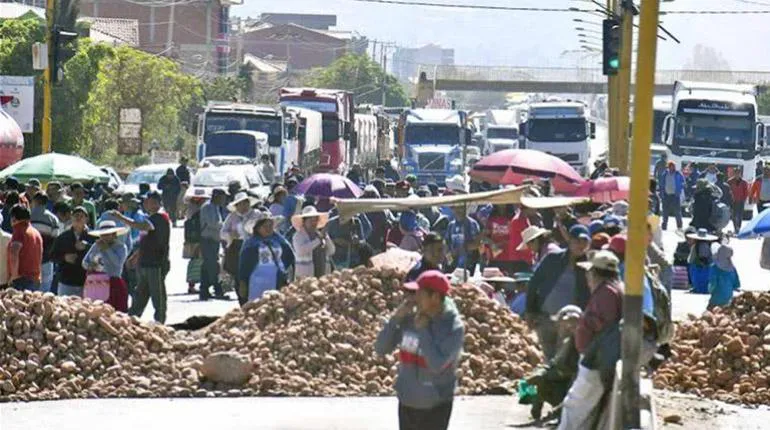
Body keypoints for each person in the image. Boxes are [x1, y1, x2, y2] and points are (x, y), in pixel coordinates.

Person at [374, 270, 464, 430]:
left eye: (419, 293)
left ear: (435, 297)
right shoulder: (409, 320)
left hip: (435, 407)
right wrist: (396, 318)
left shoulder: (452, 328)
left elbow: (437, 365)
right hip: (407, 404)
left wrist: (423, 331)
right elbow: (380, 348)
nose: (414, 298)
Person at [559, 250, 624, 430]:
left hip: (596, 361)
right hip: (598, 359)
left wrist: (579, 323)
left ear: (595, 273)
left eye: (589, 273)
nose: (587, 277)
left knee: (575, 407)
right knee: (585, 412)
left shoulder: (607, 293)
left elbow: (600, 324)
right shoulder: (614, 289)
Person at [526, 224, 591, 359]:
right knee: (548, 357)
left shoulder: (589, 267)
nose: (581, 245)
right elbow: (534, 283)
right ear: (569, 241)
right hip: (546, 318)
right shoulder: (553, 259)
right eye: (577, 241)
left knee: (563, 359)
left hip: (570, 323)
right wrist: (530, 311)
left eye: (585, 242)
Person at [109, 191, 171, 323]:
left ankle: (160, 322)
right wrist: (135, 256)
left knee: (158, 296)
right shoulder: (151, 217)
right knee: (140, 295)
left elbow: (142, 226)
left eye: (146, 201)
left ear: (154, 202)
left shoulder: (160, 217)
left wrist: (121, 218)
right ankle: (131, 320)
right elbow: (145, 240)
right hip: (144, 262)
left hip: (156, 263)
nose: (144, 204)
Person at [523, 304, 582, 421]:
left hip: (568, 388)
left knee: (540, 378)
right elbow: (556, 362)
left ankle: (558, 412)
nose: (559, 327)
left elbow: (567, 370)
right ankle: (532, 408)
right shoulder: (565, 341)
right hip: (561, 380)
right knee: (534, 378)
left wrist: (546, 373)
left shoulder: (576, 342)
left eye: (563, 324)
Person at [238, 211, 294, 303]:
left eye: (270, 226)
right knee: (258, 305)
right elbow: (244, 265)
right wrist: (243, 282)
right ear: (257, 228)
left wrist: (285, 272)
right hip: (257, 281)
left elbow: (289, 256)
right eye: (265, 226)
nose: (268, 229)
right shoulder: (251, 244)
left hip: (277, 279)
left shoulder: (279, 240)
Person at [82, 220, 129, 311]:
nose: (104, 237)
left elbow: (117, 263)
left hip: (113, 283)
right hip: (95, 283)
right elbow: (85, 261)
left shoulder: (121, 247)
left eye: (107, 234)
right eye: (102, 235)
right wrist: (89, 265)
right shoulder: (96, 246)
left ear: (114, 235)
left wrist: (107, 249)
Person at [221, 192, 259, 303]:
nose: (242, 206)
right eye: (239, 204)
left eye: (244, 203)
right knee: (239, 278)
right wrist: (230, 235)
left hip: (253, 248)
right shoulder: (232, 217)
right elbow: (222, 232)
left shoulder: (257, 214)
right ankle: (242, 302)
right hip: (237, 249)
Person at [51, 206, 93, 296]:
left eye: (81, 216)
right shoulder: (62, 237)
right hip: (67, 282)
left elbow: (100, 254)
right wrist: (64, 257)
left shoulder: (93, 237)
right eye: (76, 215)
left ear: (87, 219)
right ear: (71, 218)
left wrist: (87, 247)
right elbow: (52, 256)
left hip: (87, 282)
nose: (78, 218)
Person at [198, 188, 227, 300]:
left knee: (207, 265)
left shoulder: (215, 207)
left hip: (214, 239)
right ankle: (217, 289)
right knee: (212, 265)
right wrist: (225, 227)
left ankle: (204, 289)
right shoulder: (207, 207)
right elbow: (212, 223)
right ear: (216, 197)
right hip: (208, 239)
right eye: (222, 197)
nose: (224, 200)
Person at [292, 206, 335, 279]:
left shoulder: (319, 234)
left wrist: (326, 238)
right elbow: (301, 250)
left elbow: (331, 251)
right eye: (311, 220)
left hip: (322, 272)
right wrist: (319, 240)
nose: (314, 223)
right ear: (304, 221)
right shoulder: (298, 236)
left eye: (315, 220)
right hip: (305, 275)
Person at [30, 193, 61, 293]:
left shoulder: (28, 216)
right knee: (45, 290)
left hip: (30, 258)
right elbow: (56, 240)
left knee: (30, 291)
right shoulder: (53, 219)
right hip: (47, 259)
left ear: (35, 201)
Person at [7, 204, 43, 291]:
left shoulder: (19, 231)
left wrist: (14, 276)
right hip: (35, 278)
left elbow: (14, 252)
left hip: (22, 279)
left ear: (13, 218)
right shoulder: (36, 232)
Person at [444, 205, 481, 276]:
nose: (458, 210)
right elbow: (446, 242)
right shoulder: (451, 225)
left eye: (460, 207)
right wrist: (449, 254)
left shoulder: (472, 224)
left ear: (465, 208)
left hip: (468, 264)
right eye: (456, 208)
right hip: (453, 265)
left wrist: (463, 248)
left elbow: (477, 243)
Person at [708, 242, 740, 310]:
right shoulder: (732, 268)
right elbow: (736, 284)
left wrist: (710, 290)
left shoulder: (714, 267)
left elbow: (712, 283)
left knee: (710, 311)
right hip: (728, 297)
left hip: (716, 298)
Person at [687, 228, 718, 294]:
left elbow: (692, 260)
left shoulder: (697, 246)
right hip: (707, 268)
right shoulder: (708, 245)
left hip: (698, 269)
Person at [658, 161, 685, 231]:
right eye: (670, 166)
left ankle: (679, 226)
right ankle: (664, 225)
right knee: (665, 211)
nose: (671, 167)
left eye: (672, 166)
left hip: (675, 195)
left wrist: (680, 189)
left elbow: (683, 182)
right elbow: (661, 183)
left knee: (677, 211)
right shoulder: (665, 174)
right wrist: (662, 192)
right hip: (666, 195)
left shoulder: (678, 174)